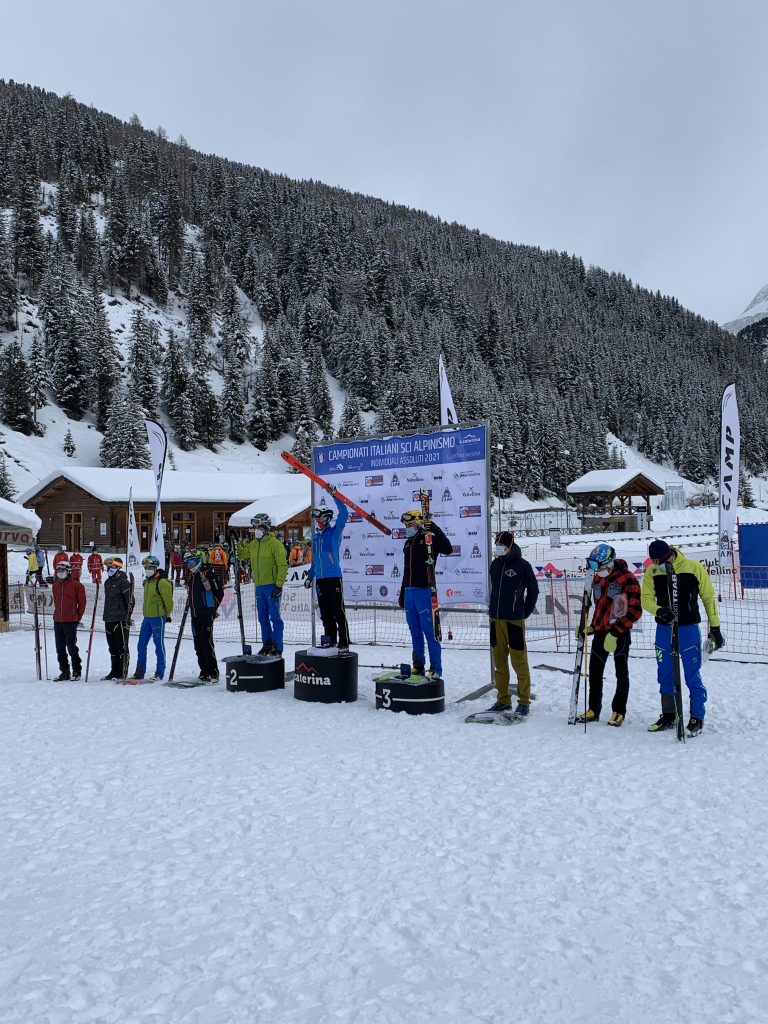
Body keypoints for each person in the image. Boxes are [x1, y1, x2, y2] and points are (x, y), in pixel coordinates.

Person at [641, 539, 724, 737]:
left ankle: (697, 717)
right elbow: (645, 599)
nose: (657, 564)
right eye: (653, 561)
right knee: (665, 674)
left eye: (659, 561)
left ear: (669, 554)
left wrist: (715, 627)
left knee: (691, 674)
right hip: (664, 629)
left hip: (688, 629)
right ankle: (669, 714)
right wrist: (659, 610)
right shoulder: (652, 572)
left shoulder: (693, 567)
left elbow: (708, 597)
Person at [575, 543, 642, 727]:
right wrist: (590, 627)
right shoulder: (597, 579)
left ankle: (618, 710)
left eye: (600, 566)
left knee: (621, 673)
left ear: (610, 562)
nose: (598, 570)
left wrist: (616, 631)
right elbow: (598, 607)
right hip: (600, 633)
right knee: (595, 672)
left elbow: (635, 611)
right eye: (594, 566)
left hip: (619, 634)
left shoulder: (628, 579)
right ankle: (593, 709)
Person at [485, 531, 539, 717]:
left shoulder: (523, 566)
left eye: (500, 545)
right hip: (495, 620)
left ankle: (523, 702)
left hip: (514, 621)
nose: (497, 548)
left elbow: (533, 591)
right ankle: (503, 699)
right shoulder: (495, 564)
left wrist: (523, 612)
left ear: (509, 546)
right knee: (499, 663)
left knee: (519, 662)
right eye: (496, 544)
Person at [397, 508, 452, 678]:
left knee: (430, 632)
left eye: (411, 524)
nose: (408, 527)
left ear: (420, 522)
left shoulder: (428, 539)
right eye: (406, 524)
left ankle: (436, 668)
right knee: (414, 631)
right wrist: (402, 592)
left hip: (424, 591)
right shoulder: (408, 542)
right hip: (409, 591)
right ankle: (418, 665)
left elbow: (448, 549)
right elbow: (407, 569)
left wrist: (435, 529)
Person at [304, 496, 351, 652]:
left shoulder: (334, 533)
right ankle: (330, 641)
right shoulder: (316, 537)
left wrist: (335, 495)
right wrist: (311, 576)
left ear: (327, 518)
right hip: (321, 580)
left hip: (334, 578)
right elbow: (315, 561)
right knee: (325, 613)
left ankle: (344, 642)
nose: (318, 522)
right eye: (316, 519)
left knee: (338, 611)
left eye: (320, 519)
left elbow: (344, 513)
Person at [238, 513, 288, 656]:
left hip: (272, 586)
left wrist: (279, 585)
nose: (256, 529)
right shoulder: (253, 544)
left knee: (275, 617)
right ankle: (267, 644)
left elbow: (283, 565)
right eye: (254, 527)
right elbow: (241, 555)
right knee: (262, 618)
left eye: (258, 526)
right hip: (259, 586)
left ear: (266, 527)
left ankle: (278, 647)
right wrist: (235, 541)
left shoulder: (275, 544)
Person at [128, 554, 174, 681]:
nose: (147, 569)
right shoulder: (147, 581)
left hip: (158, 617)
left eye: (149, 567)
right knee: (141, 644)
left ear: (155, 568)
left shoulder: (162, 582)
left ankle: (159, 672)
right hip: (147, 617)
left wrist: (166, 615)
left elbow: (169, 602)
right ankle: (140, 671)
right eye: (145, 567)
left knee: (158, 645)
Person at [185, 548, 224, 681]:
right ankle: (204, 671)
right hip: (195, 615)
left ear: (199, 561)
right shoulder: (191, 577)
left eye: (193, 563)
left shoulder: (208, 574)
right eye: (189, 564)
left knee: (206, 643)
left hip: (206, 614)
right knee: (198, 645)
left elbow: (219, 592)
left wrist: (213, 607)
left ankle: (213, 672)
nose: (191, 566)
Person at [49, 559, 86, 681]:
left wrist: (76, 618)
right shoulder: (55, 586)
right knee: (60, 648)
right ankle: (64, 671)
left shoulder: (77, 586)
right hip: (58, 621)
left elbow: (82, 604)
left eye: (63, 570)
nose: (60, 572)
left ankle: (76, 670)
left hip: (70, 621)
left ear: (68, 571)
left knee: (71, 647)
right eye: (58, 570)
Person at [101, 556, 133, 680]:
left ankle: (122, 670)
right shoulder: (107, 582)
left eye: (112, 567)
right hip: (108, 618)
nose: (109, 569)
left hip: (119, 619)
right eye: (108, 567)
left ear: (118, 568)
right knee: (112, 647)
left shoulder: (123, 582)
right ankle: (114, 670)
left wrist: (127, 615)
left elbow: (130, 600)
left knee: (121, 647)